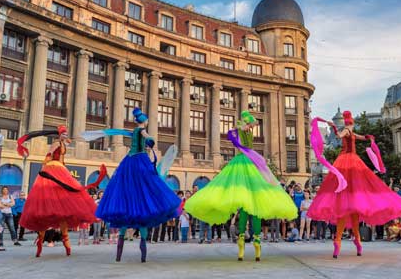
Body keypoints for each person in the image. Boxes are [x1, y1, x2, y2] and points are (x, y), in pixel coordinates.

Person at [185, 111, 297, 261]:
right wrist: (241, 126)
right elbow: (232, 133)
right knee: (246, 208)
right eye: (251, 123)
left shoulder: (248, 131)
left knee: (252, 208)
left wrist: (245, 126)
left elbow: (243, 129)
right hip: (243, 164)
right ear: (246, 122)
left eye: (252, 124)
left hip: (250, 164)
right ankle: (245, 244)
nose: (252, 126)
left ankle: (252, 244)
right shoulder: (240, 129)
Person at [308, 112, 401, 258]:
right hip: (351, 161)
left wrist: (368, 137)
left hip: (345, 161)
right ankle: (356, 241)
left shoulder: (351, 131)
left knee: (348, 207)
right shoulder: (348, 130)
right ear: (351, 122)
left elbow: (359, 137)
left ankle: (341, 241)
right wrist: (337, 130)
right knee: (354, 200)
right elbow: (341, 135)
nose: (351, 125)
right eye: (351, 123)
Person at [86, 108, 181, 262]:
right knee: (148, 184)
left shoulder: (135, 130)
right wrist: (150, 140)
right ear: (144, 120)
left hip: (129, 161)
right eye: (147, 120)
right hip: (139, 161)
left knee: (129, 189)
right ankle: (143, 258)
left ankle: (118, 257)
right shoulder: (141, 129)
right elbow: (147, 137)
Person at [16, 125, 106, 257]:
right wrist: (44, 168)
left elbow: (62, 157)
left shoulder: (63, 143)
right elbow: (49, 154)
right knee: (48, 210)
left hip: (62, 170)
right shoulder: (56, 143)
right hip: (52, 169)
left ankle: (66, 245)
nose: (65, 135)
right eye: (63, 133)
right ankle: (41, 243)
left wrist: (66, 143)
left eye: (66, 133)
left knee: (64, 209)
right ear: (59, 135)